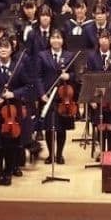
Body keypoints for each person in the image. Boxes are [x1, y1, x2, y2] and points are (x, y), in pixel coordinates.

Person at [36, 29, 78, 164]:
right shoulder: (42, 55)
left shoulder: (69, 55)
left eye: (59, 37)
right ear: (49, 40)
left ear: (63, 40)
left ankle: (59, 154)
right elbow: (38, 77)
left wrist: (69, 76)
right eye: (53, 37)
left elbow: (75, 75)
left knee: (61, 128)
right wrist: (41, 93)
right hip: (47, 97)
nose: (56, 40)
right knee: (49, 128)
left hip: (63, 97)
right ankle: (51, 155)